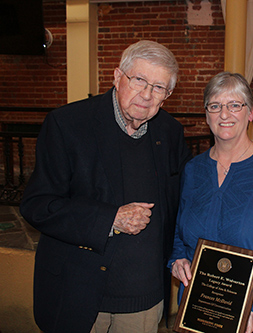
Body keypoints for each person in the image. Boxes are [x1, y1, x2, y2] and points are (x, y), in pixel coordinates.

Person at [20, 40, 191, 333]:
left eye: (159, 87)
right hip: (79, 297)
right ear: (116, 76)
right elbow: (37, 205)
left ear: (168, 95)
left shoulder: (170, 132)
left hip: (144, 302)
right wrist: (109, 219)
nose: (147, 94)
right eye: (139, 80)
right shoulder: (67, 124)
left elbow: (178, 206)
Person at [169, 72, 253, 333]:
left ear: (249, 113)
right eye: (215, 106)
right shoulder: (193, 170)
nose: (224, 114)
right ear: (207, 115)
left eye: (234, 105)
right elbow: (180, 234)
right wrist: (177, 259)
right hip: (199, 312)